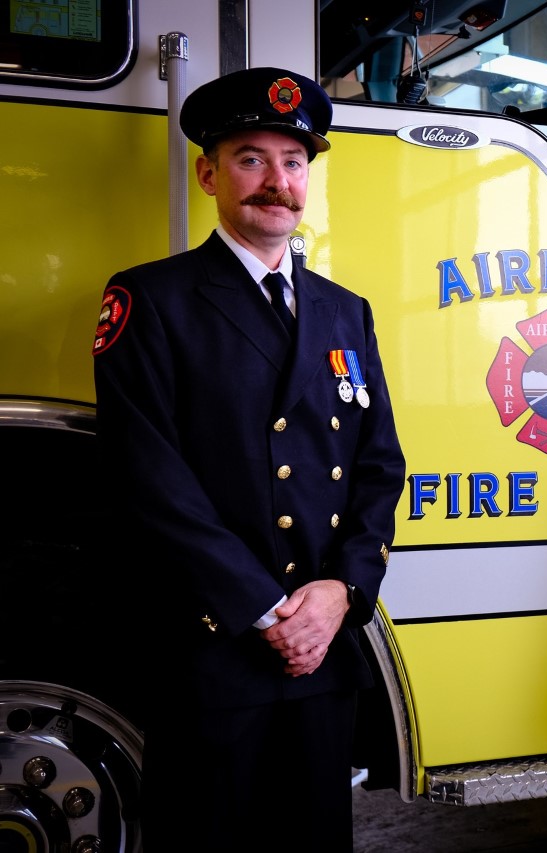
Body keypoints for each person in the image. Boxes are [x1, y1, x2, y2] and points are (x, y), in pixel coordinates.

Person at [92, 67, 405, 852]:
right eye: (251, 159)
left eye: (294, 161)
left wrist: (342, 591)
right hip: (215, 647)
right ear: (209, 175)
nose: (277, 181)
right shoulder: (151, 299)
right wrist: (269, 611)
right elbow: (149, 479)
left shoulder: (345, 310)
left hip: (323, 651)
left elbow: (379, 465)